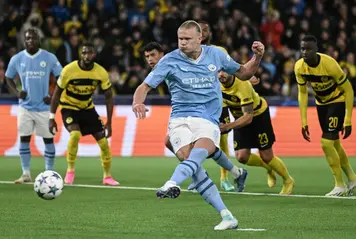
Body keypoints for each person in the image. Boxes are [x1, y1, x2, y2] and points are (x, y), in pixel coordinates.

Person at [133, 20, 264, 230]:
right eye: (180, 39)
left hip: (207, 119)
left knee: (197, 156)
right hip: (179, 120)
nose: (182, 43)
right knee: (190, 161)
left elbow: (244, 73)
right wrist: (137, 102)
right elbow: (144, 86)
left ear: (199, 38)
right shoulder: (169, 60)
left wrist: (257, 57)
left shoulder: (216, 54)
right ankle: (227, 215)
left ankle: (172, 183)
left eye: (187, 39)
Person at [143, 41, 248, 193]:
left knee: (189, 145)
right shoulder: (163, 68)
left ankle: (200, 176)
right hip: (189, 112)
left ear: (162, 54)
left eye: (153, 55)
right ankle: (236, 173)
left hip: (205, 110)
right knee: (193, 146)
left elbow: (207, 72)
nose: (150, 59)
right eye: (147, 56)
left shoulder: (178, 60)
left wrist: (245, 78)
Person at [295, 35, 356, 196]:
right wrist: (303, 121)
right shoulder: (299, 67)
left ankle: (339, 185)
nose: (305, 52)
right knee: (334, 144)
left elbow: (349, 90)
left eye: (308, 49)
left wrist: (348, 119)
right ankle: (352, 178)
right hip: (321, 104)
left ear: (316, 49)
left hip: (337, 101)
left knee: (325, 143)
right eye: (302, 48)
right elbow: (302, 93)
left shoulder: (329, 64)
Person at [49, 42, 119, 186]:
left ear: (94, 54)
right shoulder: (69, 70)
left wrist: (109, 123)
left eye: (90, 53)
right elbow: (56, 94)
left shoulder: (100, 73)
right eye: (84, 53)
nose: (87, 56)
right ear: (80, 54)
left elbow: (109, 97)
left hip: (87, 107)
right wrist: (51, 117)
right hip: (69, 106)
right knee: (75, 135)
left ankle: (107, 176)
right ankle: (70, 171)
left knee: (104, 142)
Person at [218, 70, 294, 194]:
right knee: (241, 157)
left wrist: (228, 126)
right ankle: (268, 168)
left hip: (258, 115)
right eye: (218, 71)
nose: (221, 74)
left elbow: (248, 117)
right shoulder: (216, 86)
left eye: (225, 71)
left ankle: (288, 180)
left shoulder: (243, 85)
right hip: (239, 118)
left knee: (266, 156)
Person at [5, 28, 63, 184]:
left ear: (39, 40)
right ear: (24, 41)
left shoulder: (49, 58)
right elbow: (8, 78)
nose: (30, 41)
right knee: (24, 138)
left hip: (44, 108)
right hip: (25, 107)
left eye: (33, 38)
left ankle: (49, 172)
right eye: (27, 38)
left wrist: (52, 94)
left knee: (48, 140)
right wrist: (17, 93)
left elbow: (61, 77)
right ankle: (25, 173)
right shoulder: (17, 59)